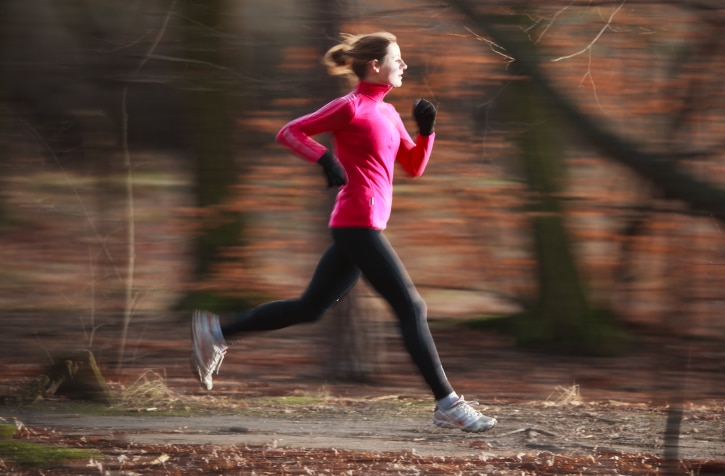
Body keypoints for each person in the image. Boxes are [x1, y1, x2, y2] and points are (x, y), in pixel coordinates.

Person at [191, 32, 496, 433]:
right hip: (357, 221)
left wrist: (427, 131)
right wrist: (324, 159)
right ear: (375, 66)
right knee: (412, 307)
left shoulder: (386, 112)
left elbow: (414, 167)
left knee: (310, 308)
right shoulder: (349, 107)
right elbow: (290, 132)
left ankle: (215, 331)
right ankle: (448, 404)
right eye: (397, 59)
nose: (404, 65)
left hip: (362, 224)